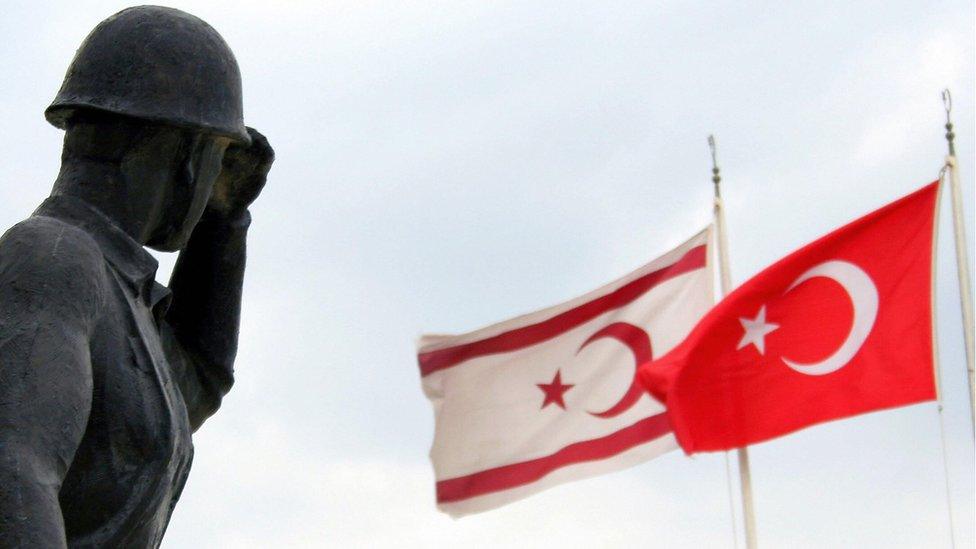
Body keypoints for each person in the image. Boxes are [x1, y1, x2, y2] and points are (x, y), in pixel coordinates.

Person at [0, 7, 273, 547]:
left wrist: (222, 226)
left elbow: (190, 388)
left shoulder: (116, 288)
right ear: (190, 160)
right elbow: (13, 473)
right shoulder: (53, 257)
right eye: (215, 161)